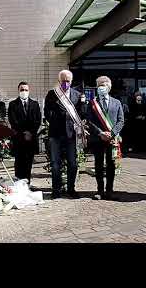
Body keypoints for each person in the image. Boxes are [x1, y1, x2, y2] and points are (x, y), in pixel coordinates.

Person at [44, 69, 83, 199]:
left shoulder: (77, 95)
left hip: (71, 135)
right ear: (59, 81)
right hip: (55, 134)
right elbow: (47, 113)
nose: (65, 83)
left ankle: (71, 189)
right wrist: (57, 120)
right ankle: (56, 190)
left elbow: (81, 114)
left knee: (73, 163)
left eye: (68, 81)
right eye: (63, 81)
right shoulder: (52, 94)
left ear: (71, 81)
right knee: (55, 164)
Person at [86, 76, 124, 200]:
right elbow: (89, 121)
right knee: (98, 165)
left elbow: (121, 120)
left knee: (111, 165)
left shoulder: (117, 102)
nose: (101, 87)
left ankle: (109, 190)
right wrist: (100, 133)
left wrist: (112, 133)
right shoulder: (92, 103)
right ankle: (100, 190)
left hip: (112, 139)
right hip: (98, 139)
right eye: (99, 85)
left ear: (109, 86)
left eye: (104, 84)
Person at [8, 82, 42, 185]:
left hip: (31, 139)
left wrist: (30, 132)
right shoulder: (13, 104)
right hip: (19, 138)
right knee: (19, 162)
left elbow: (38, 120)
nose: (24, 92)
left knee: (29, 163)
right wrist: (23, 132)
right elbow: (13, 121)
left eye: (26, 90)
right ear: (18, 91)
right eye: (22, 90)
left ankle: (27, 183)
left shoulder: (35, 104)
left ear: (29, 91)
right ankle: (18, 184)